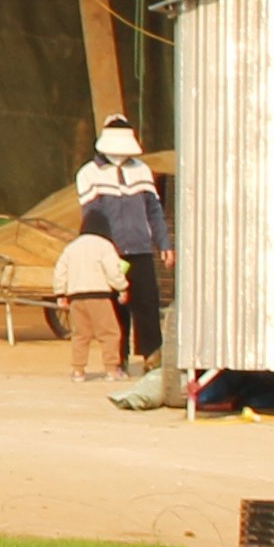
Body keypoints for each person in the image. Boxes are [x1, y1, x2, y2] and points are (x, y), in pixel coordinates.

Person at [73, 117, 171, 372]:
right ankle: (118, 359)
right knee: (116, 308)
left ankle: (152, 356)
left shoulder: (142, 170)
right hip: (110, 253)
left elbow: (154, 211)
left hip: (139, 248)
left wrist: (164, 244)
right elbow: (91, 216)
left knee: (147, 303)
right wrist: (96, 248)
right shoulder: (89, 173)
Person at [51, 224, 128, 382]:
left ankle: (78, 371)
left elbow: (60, 271)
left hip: (76, 297)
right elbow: (113, 270)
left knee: (80, 335)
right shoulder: (104, 245)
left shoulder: (71, 247)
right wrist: (122, 287)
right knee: (110, 333)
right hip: (99, 295)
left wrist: (60, 293)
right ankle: (111, 370)